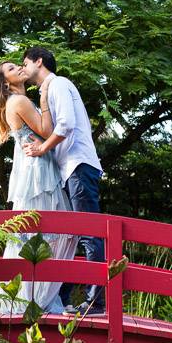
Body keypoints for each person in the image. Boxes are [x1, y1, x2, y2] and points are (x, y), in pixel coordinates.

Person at [0, 61, 78, 315]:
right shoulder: (19, 102)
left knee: (43, 232)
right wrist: (45, 95)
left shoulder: (19, 101)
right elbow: (46, 129)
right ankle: (32, 299)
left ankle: (34, 296)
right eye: (13, 69)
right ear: (6, 83)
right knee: (53, 231)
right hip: (38, 171)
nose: (19, 69)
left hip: (36, 165)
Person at [20, 47, 105, 316]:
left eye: (25, 63)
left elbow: (66, 125)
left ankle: (96, 302)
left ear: (39, 62)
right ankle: (65, 295)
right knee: (78, 233)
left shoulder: (58, 84)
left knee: (90, 233)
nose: (23, 68)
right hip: (71, 169)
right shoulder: (48, 90)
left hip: (79, 165)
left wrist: (43, 148)